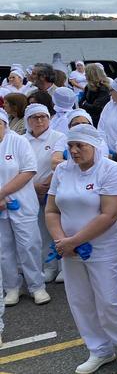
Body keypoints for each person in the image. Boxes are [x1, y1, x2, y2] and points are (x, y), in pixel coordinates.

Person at [44, 124, 117, 374]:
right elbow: (51, 210)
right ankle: (99, 349)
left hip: (103, 247)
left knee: (109, 300)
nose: (74, 151)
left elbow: (110, 214)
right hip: (68, 249)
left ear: (95, 146)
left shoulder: (111, 170)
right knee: (80, 301)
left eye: (80, 146)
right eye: (70, 146)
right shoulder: (62, 171)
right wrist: (61, 241)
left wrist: (73, 241)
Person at [0, 109, 50, 307]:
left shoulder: (18, 141)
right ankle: (11, 287)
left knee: (29, 245)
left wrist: (2, 194)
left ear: (4, 123)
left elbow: (28, 171)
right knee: (4, 249)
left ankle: (36, 286)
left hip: (23, 203)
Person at [23, 103, 66, 283]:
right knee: (41, 232)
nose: (40, 121)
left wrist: (48, 184)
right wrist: (34, 187)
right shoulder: (21, 140)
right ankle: (49, 266)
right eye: (35, 117)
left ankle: (64, 266)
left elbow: (60, 163)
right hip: (29, 192)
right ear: (28, 121)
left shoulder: (59, 136)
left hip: (54, 191)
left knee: (60, 228)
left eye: (44, 117)